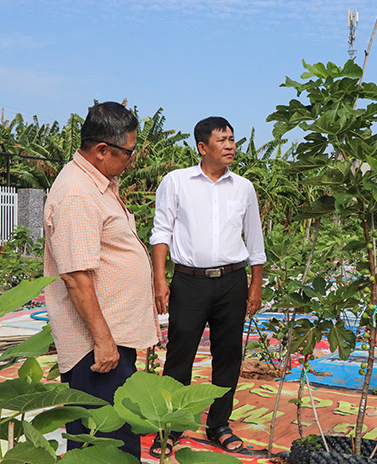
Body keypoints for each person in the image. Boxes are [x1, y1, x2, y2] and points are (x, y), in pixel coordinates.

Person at [44, 101, 161, 459]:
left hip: (110, 337)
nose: (131, 160)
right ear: (101, 150)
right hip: (96, 348)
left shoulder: (98, 183)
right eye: (128, 151)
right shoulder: (77, 194)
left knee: (115, 436)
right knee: (105, 446)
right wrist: (104, 340)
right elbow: (77, 278)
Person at [150, 116, 265, 456]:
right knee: (179, 356)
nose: (230, 145)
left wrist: (255, 285)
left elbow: (255, 241)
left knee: (228, 355)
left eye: (232, 139)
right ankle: (171, 424)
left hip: (232, 281)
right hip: (189, 281)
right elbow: (161, 232)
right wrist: (159, 279)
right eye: (222, 140)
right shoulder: (176, 182)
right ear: (203, 147)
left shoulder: (243, 187)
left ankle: (219, 424)